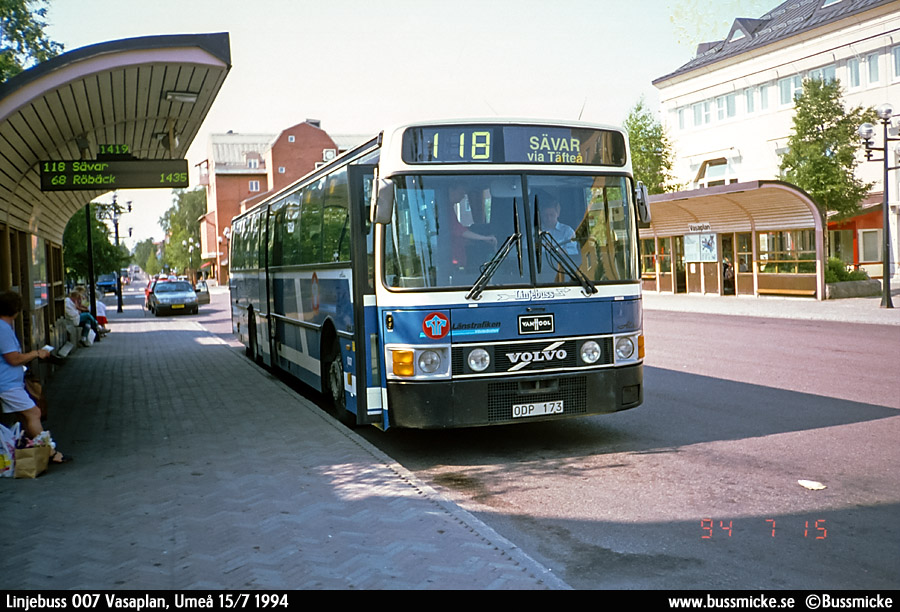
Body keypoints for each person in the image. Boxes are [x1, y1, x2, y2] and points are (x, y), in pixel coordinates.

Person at [0, 291, 69, 463]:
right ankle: (51, 452)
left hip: (9, 382)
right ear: (16, 310)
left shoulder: (4, 328)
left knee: (24, 417)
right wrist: (35, 353)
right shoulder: (3, 329)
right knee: (34, 412)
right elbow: (13, 358)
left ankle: (34, 450)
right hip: (7, 383)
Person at [444, 183, 497, 267]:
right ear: (451, 190)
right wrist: (485, 238)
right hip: (453, 259)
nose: (463, 197)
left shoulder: (448, 208)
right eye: (461, 192)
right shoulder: (444, 210)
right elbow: (459, 231)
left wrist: (479, 240)